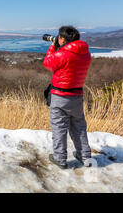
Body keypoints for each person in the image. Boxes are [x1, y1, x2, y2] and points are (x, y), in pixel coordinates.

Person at [43, 26, 92, 169]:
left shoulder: (62, 53)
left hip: (60, 96)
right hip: (77, 96)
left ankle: (60, 159)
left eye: (59, 37)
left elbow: (48, 63)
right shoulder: (86, 53)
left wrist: (53, 46)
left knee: (59, 128)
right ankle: (85, 157)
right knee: (79, 127)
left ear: (63, 38)